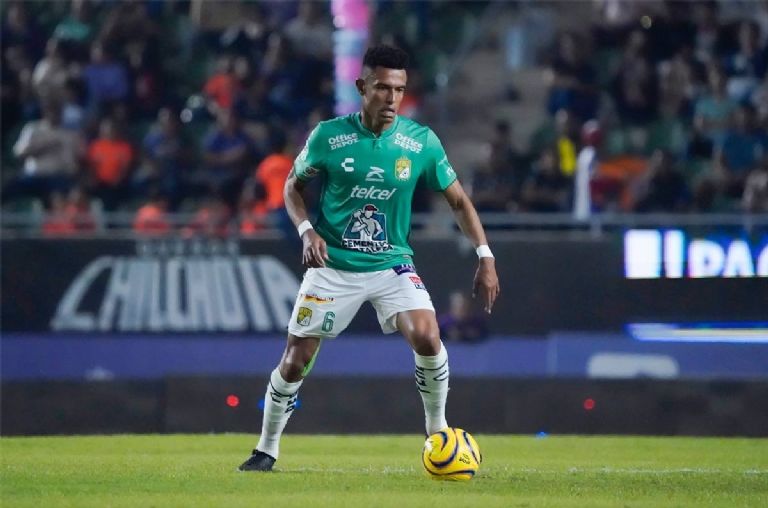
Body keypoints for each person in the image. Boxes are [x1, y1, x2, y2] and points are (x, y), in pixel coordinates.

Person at [238, 45, 500, 472]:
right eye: (382, 88)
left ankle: (438, 432)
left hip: (391, 264)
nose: (392, 98)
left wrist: (485, 255)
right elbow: (291, 188)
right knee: (295, 361)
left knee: (428, 336)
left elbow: (458, 201)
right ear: (362, 87)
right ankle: (266, 449)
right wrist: (306, 231)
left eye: (399, 89)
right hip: (333, 266)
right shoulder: (328, 137)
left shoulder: (421, 142)